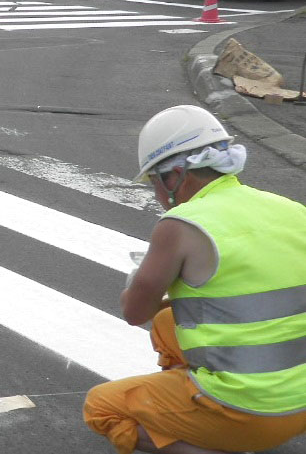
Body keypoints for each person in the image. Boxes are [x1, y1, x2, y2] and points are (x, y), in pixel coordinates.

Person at [84, 104, 306, 454]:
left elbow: (134, 312)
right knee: (167, 321)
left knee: (101, 406)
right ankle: (199, 409)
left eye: (154, 183)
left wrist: (141, 278)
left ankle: (215, 436)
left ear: (173, 177)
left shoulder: (181, 225)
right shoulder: (290, 209)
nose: (158, 196)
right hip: (300, 403)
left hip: (246, 411)